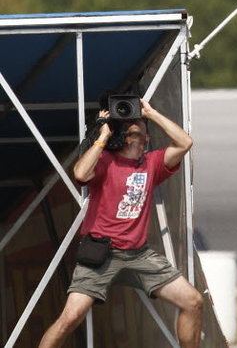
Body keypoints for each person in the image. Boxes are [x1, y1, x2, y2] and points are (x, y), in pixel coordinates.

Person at [38, 99, 203, 348]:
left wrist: (151, 113)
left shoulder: (152, 163)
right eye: (132, 129)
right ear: (123, 137)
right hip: (101, 252)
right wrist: (103, 135)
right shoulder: (105, 160)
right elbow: (81, 174)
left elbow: (185, 142)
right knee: (70, 318)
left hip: (138, 253)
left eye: (141, 129)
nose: (138, 133)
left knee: (193, 301)